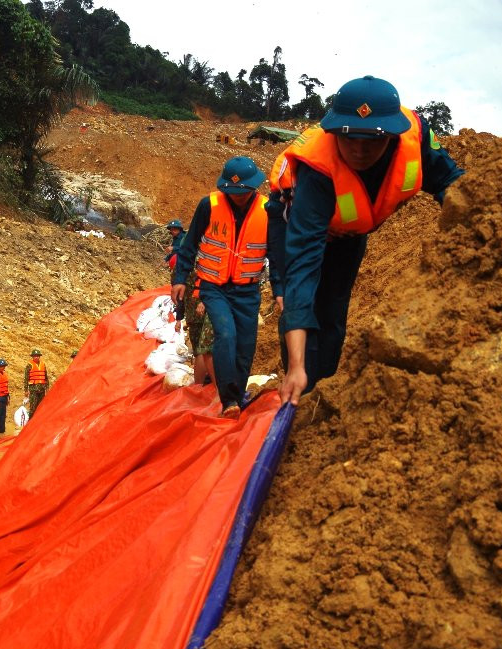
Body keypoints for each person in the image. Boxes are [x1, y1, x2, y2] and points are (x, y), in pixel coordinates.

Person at [268, 75, 464, 405]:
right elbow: (302, 269)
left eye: (372, 140)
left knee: (333, 312)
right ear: (334, 133)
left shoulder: (415, 141)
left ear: (392, 134)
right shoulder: (318, 172)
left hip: (349, 233)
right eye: (349, 139)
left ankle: (321, 391)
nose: (359, 150)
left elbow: (454, 184)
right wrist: (298, 367)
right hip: (294, 223)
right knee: (299, 300)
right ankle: (299, 383)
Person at [171, 155, 270, 419]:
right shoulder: (209, 206)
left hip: (247, 291)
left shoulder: (267, 210)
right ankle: (228, 401)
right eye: (232, 192)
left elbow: (279, 255)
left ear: (254, 188)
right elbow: (189, 244)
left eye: (243, 192)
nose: (237, 196)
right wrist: (180, 279)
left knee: (245, 345)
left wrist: (283, 289)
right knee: (225, 335)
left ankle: (237, 399)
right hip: (214, 288)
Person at [176, 272, 216, 387]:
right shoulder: (200, 266)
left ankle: (200, 384)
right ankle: (201, 384)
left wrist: (179, 318)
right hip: (203, 311)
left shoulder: (185, 270)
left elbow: (180, 297)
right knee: (203, 350)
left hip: (194, 313)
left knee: (201, 350)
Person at [24, 349, 50, 417]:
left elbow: (46, 377)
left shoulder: (43, 364)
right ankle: (31, 423)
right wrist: (26, 390)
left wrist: (47, 388)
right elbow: (26, 378)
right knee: (33, 407)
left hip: (42, 389)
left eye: (38, 356)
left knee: (41, 407)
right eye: (35, 356)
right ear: (32, 357)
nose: (36, 357)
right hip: (33, 390)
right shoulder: (29, 365)